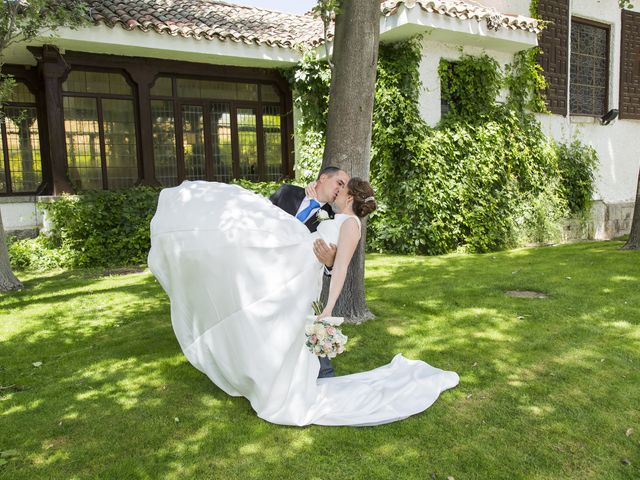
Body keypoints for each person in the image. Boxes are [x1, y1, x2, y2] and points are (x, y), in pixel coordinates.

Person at [148, 178, 459, 426]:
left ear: (350, 198)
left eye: (342, 189)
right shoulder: (334, 216)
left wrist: (328, 309)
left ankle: (278, 386)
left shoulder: (350, 225)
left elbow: (340, 270)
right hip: (295, 264)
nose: (337, 192)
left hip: (299, 272)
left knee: (273, 319)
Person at [269, 166, 350, 378]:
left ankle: (323, 371)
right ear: (323, 178)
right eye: (339, 183)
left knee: (302, 320)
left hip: (299, 280)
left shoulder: (332, 217)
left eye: (344, 187)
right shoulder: (287, 193)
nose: (340, 190)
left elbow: (333, 262)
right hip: (268, 270)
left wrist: (331, 261)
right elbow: (260, 221)